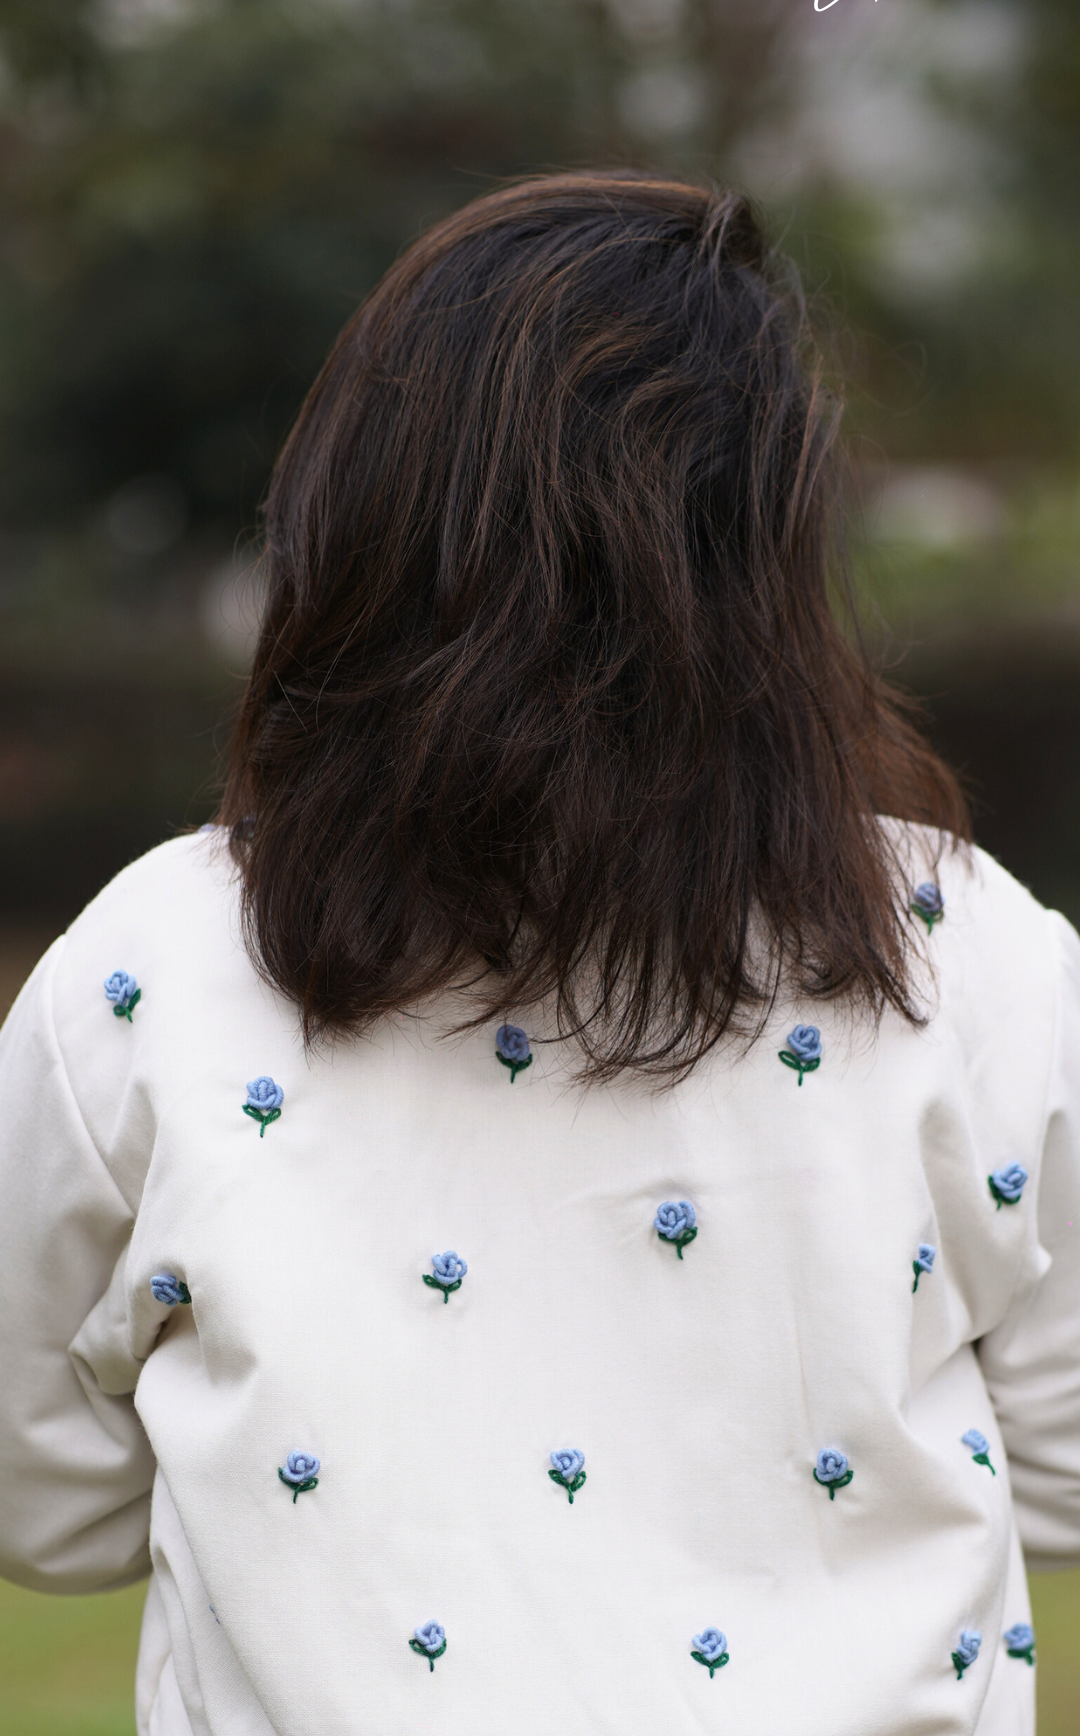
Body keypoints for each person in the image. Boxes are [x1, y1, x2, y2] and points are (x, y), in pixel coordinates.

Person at [0, 172, 1077, 1736]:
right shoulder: (969, 957)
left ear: (353, 517)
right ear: (771, 558)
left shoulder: (155, 967)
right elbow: (1055, 1450)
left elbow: (42, 1484)